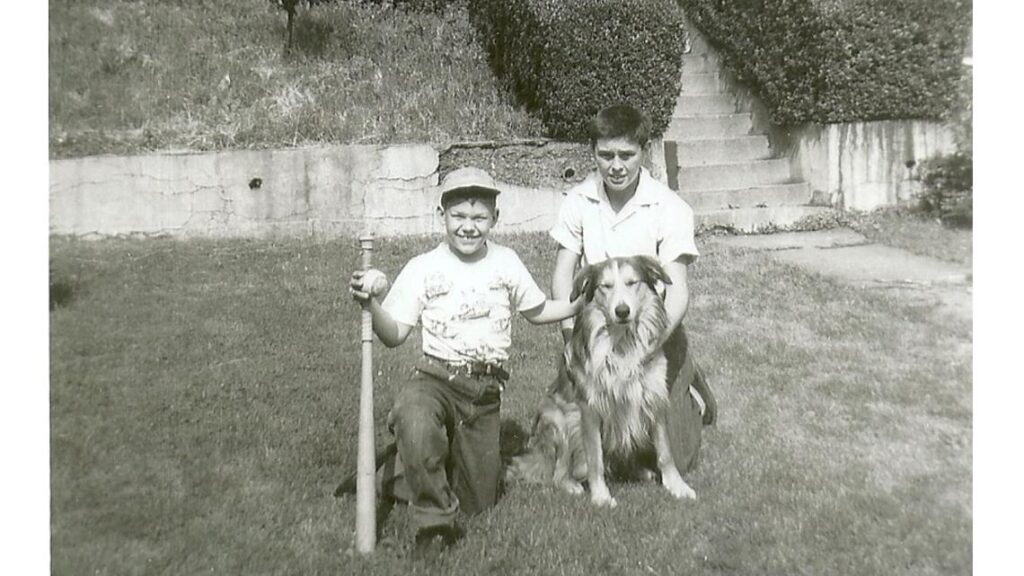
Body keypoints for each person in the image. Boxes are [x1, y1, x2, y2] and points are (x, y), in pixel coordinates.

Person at [348, 166, 582, 559]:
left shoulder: (506, 262)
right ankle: (434, 524)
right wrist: (369, 303)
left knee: (478, 502)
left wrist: (578, 304)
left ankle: (392, 473)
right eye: (458, 216)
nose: (468, 227)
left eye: (478, 217)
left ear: (495, 219)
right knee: (415, 415)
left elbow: (537, 310)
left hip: (484, 393)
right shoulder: (423, 267)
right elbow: (394, 335)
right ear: (441, 216)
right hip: (435, 378)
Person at [549, 103, 718, 475]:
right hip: (599, 332)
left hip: (653, 331)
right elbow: (563, 275)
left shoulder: (670, 207)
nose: (616, 166)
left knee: (681, 456)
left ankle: (689, 386)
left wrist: (649, 349)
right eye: (605, 155)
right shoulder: (578, 200)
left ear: (644, 151)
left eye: (627, 155)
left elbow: (678, 293)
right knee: (580, 433)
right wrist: (568, 337)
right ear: (593, 153)